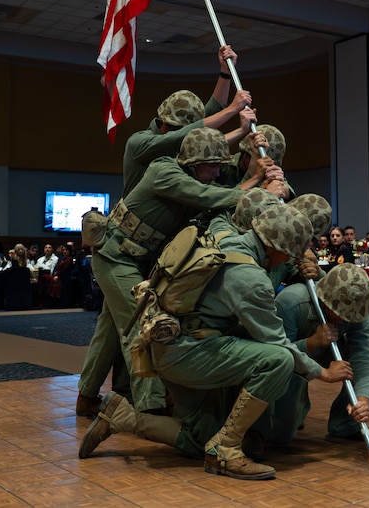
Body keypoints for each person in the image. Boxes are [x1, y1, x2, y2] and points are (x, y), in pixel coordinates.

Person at [78, 203, 349, 481]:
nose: (288, 262)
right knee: (278, 360)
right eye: (288, 255)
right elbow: (278, 341)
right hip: (188, 354)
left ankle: (121, 417)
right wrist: (323, 372)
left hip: (167, 345)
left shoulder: (224, 237)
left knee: (199, 441)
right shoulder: (251, 279)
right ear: (274, 247)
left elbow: (222, 217)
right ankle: (227, 449)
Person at [80, 127, 278, 416]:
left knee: (111, 330)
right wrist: (257, 179)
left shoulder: (188, 173)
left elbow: (212, 192)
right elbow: (210, 197)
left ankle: (86, 396)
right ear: (194, 163)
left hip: (137, 259)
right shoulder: (165, 172)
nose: (217, 173)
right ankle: (151, 408)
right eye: (212, 167)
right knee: (143, 322)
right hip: (116, 256)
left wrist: (253, 168)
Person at [274, 263, 369, 443]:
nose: (344, 319)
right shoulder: (291, 303)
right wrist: (312, 343)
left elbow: (364, 355)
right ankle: (273, 423)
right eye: (339, 313)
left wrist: (363, 400)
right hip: (295, 358)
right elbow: (277, 356)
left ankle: (345, 424)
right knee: (280, 435)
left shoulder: (358, 308)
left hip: (326, 351)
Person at [122, 46, 255, 196]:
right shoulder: (139, 143)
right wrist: (233, 110)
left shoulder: (177, 136)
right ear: (165, 125)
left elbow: (214, 109)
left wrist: (225, 72)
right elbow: (183, 136)